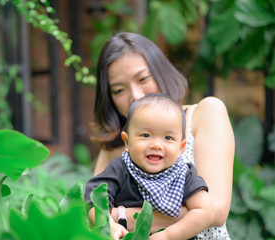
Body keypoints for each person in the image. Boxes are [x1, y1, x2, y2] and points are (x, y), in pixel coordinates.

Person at [90, 32, 234, 239]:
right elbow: (92, 210)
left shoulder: (205, 113)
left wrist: (120, 216)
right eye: (119, 90)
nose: (136, 95)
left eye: (143, 78)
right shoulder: (114, 148)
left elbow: (215, 211)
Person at [85, 93, 214, 240]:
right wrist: (109, 225)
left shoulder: (184, 174)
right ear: (127, 142)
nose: (156, 145)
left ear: (181, 147)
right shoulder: (120, 168)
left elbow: (205, 211)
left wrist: (167, 235)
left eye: (168, 138)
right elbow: (94, 198)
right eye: (145, 135)